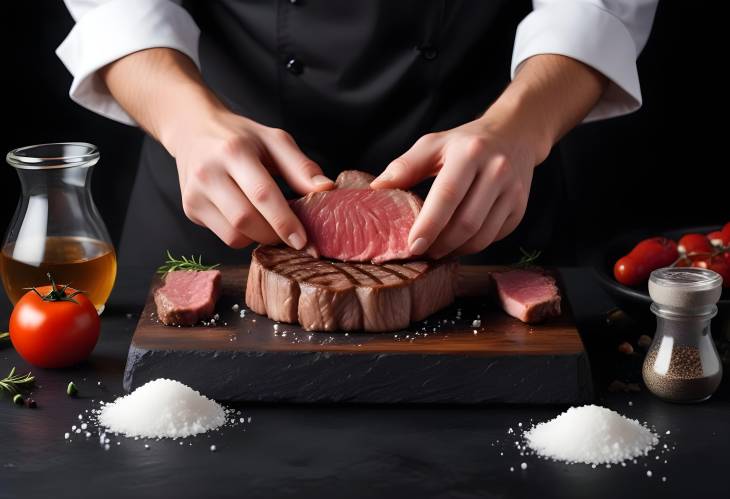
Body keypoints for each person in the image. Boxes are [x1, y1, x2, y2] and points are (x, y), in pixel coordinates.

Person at [57, 0, 658, 270]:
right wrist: (185, 121)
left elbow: (595, 7)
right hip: (215, 190)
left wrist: (522, 128)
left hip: (482, 195)